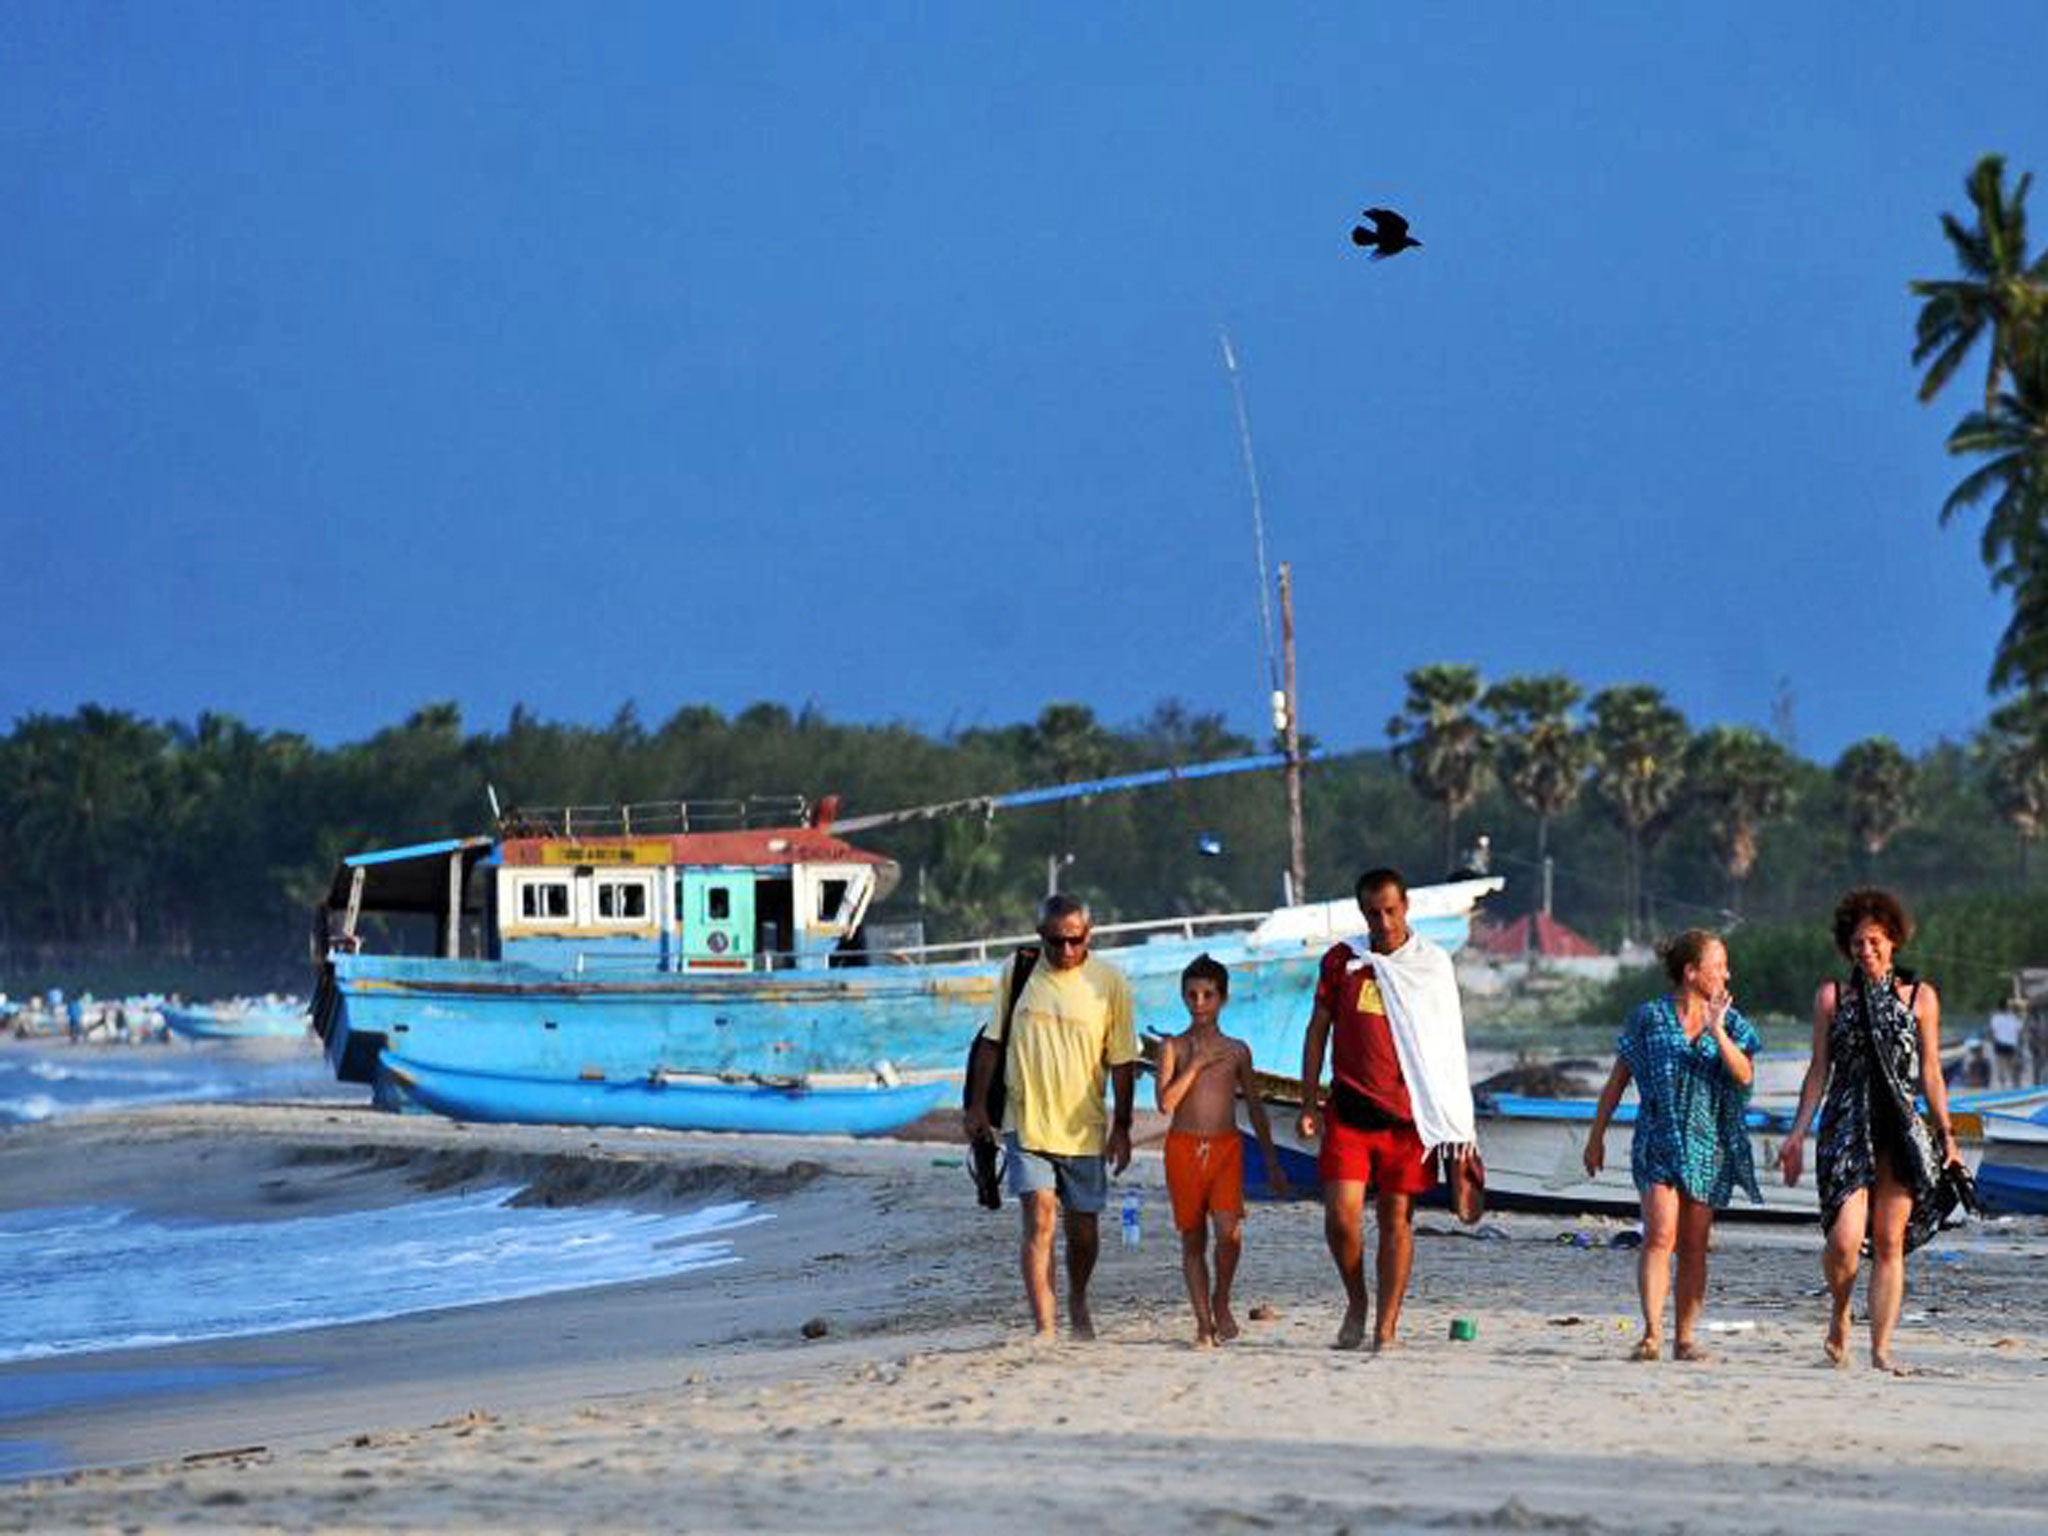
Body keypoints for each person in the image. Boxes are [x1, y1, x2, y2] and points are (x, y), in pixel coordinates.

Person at [1778, 887, 1963, 1373]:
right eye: (1858, 943)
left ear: (1894, 940)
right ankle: (1840, 1313)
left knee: (1887, 1242)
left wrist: (1947, 1136)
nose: (1868, 950)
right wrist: (1797, 1132)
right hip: (1846, 1126)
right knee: (1843, 1240)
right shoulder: (1833, 997)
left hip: (1900, 1129)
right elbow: (1818, 1070)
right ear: (1848, 946)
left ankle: (1881, 1350)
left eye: (1876, 940)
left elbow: (1931, 1073)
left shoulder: (1920, 998)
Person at [1297, 868, 1478, 1351]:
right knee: (1340, 1217)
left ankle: (1386, 1326)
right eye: (1374, 913)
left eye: (1391, 910)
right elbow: (1318, 1029)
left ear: (1407, 907)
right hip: (1349, 1111)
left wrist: (1458, 1127)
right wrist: (1309, 1098)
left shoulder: (1431, 964)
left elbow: (1448, 1046)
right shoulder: (1342, 962)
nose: (1384, 921)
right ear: (1362, 913)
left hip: (1408, 1118)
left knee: (1396, 1220)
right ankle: (1356, 1302)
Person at [962, 893, 1138, 1341]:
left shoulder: (1110, 983)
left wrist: (1123, 1127)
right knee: (1039, 1218)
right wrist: (977, 1106)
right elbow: (992, 1041)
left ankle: (1077, 1298)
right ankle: (1045, 1325)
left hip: (1084, 1129)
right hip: (1029, 1123)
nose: (1065, 952)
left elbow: (1121, 1061)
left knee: (1083, 1232)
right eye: (1055, 942)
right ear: (1041, 936)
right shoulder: (1018, 971)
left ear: (1088, 935)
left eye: (1075, 941)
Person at [1583, 929, 1761, 1363]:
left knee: (1695, 1245)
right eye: (1718, 966)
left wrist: (1718, 1032)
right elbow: (1618, 1079)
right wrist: (1596, 1135)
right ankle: (1650, 1334)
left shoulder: (1733, 1022)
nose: (1726, 974)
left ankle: (1684, 1338)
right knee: (1660, 1234)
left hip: (1708, 1143)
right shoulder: (1649, 1018)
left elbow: (1745, 1075)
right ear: (1691, 972)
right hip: (1658, 1138)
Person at [1153, 953, 1286, 1348]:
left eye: (1207, 995)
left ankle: (1221, 1298)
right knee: (1193, 1238)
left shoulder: (1237, 1050)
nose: (1199, 1003)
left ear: (1222, 999)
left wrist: (1273, 1162)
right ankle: (1202, 1323)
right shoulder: (1172, 1048)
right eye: (1191, 995)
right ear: (1183, 997)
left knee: (1229, 1234)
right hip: (1183, 1148)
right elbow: (1166, 1104)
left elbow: (1257, 1110)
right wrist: (1194, 1066)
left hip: (1227, 1147)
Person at [1987, 998, 2024, 1088]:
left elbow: (1991, 1032)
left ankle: (2003, 1085)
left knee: (2001, 1066)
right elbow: (2020, 1031)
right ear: (2007, 1007)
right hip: (2011, 1044)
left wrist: (1992, 1042)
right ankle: (2014, 1085)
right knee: (2011, 1066)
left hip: (1999, 1043)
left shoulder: (1995, 1018)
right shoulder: (2013, 1017)